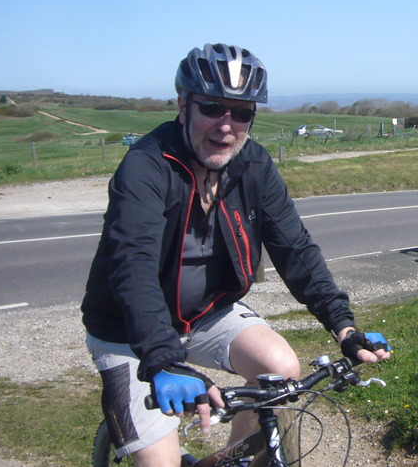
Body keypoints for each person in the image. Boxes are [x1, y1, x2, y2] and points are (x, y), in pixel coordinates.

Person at [81, 43, 390, 466]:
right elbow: (132, 267)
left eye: (242, 112)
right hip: (128, 330)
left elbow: (295, 247)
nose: (227, 126)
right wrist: (163, 360)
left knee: (281, 369)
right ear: (182, 104)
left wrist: (343, 327)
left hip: (207, 314)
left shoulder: (254, 165)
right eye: (212, 107)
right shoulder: (146, 166)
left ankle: (232, 461)